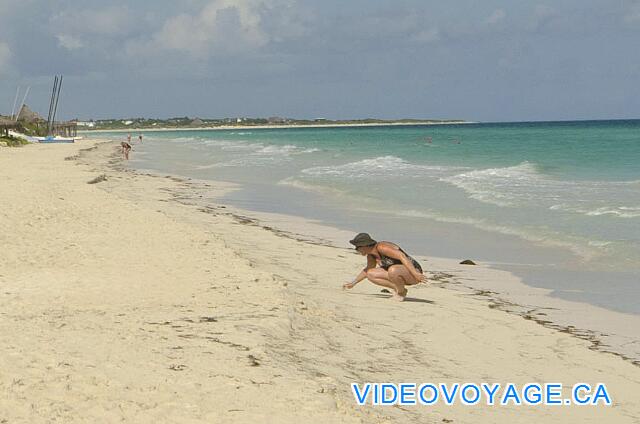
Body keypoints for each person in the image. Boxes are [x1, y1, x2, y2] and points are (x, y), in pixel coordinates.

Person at [343, 233, 426, 301]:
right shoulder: (371, 256)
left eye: (357, 247)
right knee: (370, 273)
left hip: (413, 273)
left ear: (364, 245)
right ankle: (400, 289)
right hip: (396, 274)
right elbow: (367, 270)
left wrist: (415, 274)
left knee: (392, 270)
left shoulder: (382, 247)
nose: (356, 249)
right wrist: (353, 283)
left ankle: (401, 294)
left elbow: (402, 256)